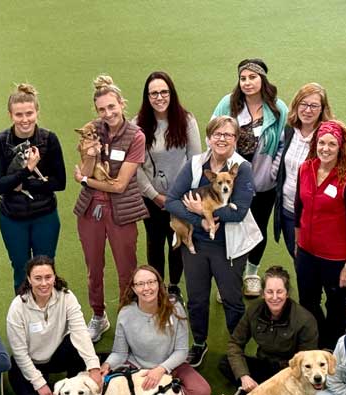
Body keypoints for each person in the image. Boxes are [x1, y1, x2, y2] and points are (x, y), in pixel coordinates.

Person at [165, 116, 259, 367]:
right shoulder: (195, 164)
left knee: (231, 298)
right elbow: (171, 201)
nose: (222, 139)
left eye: (228, 135)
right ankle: (199, 342)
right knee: (196, 297)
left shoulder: (243, 168)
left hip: (229, 245)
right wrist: (200, 220)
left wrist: (205, 212)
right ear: (208, 138)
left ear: (236, 140)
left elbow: (238, 212)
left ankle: (237, 347)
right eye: (217, 134)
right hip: (197, 243)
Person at [73, 75, 148, 343]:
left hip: (122, 212)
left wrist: (84, 180)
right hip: (90, 211)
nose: (108, 114)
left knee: (127, 269)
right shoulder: (91, 129)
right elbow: (85, 167)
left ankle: (128, 319)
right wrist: (90, 157)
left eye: (112, 107)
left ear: (121, 104)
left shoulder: (136, 136)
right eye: (102, 109)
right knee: (94, 267)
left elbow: (119, 185)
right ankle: (98, 316)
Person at [212, 58, 288, 297]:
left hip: (264, 183)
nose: (247, 83)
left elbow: (283, 145)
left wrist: (273, 172)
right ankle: (227, 278)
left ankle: (251, 273)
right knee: (229, 226)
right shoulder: (228, 103)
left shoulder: (278, 108)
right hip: (231, 183)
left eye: (252, 77)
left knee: (257, 228)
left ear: (262, 79)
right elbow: (212, 135)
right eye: (243, 78)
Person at [294, 120, 346, 348]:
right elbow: (298, 209)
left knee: (336, 304)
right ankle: (316, 340)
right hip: (306, 252)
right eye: (321, 143)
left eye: (331, 144)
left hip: (334, 259)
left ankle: (333, 346)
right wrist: (297, 243)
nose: (325, 148)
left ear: (341, 147)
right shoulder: (305, 168)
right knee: (308, 301)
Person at [0, 84, 66, 293]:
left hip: (45, 217)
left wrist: (21, 183)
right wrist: (28, 170)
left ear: (37, 112)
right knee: (20, 270)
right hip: (12, 218)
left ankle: (50, 318)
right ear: (10, 115)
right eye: (19, 114)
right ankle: (23, 319)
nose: (25, 119)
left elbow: (60, 182)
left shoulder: (49, 139)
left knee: (45, 270)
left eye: (29, 113)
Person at [6, 256, 102, 395]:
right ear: (29, 280)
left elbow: (80, 332)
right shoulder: (17, 307)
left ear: (54, 277)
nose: (44, 283)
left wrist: (94, 368)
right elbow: (20, 353)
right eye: (38, 278)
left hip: (57, 355)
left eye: (48, 277)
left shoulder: (67, 297)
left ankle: (72, 387)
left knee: (75, 341)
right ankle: (58, 392)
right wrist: (40, 384)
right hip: (30, 362)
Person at [133, 71, 202, 301]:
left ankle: (173, 286)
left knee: (177, 240)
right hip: (151, 198)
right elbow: (136, 167)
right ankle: (157, 286)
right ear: (147, 96)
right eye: (154, 93)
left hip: (180, 198)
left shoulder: (186, 120)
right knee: (154, 243)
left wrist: (177, 196)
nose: (159, 97)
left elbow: (195, 160)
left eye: (164, 92)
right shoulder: (138, 125)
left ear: (171, 93)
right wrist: (154, 195)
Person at [100, 265, 210, 395]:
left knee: (201, 393)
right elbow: (120, 353)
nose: (146, 288)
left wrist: (161, 369)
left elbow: (181, 351)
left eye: (151, 282)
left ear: (159, 284)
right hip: (138, 368)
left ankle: (163, 392)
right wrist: (107, 365)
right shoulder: (125, 313)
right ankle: (168, 393)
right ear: (133, 288)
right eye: (140, 284)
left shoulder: (175, 308)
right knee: (114, 394)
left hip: (172, 365)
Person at [219, 266, 319, 391]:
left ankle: (260, 393)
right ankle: (258, 390)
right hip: (264, 364)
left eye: (280, 292)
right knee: (225, 363)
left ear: (287, 293)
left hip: (289, 371)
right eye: (270, 292)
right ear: (263, 294)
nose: (275, 297)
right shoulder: (254, 310)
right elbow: (235, 344)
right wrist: (244, 376)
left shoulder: (305, 320)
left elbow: (307, 362)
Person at [272, 83, 335, 259]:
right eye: (303, 104)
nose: (307, 110)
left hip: (313, 217)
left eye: (314, 105)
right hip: (287, 212)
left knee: (316, 266)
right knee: (298, 262)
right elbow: (278, 165)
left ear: (322, 109)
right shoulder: (289, 131)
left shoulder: (327, 139)